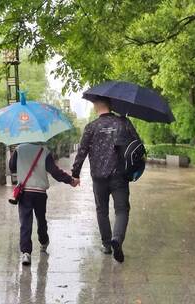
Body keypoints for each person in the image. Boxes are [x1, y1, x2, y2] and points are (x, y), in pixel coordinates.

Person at [71, 97, 140, 263]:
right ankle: (117, 239)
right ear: (111, 105)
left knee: (101, 210)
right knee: (122, 210)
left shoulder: (91, 127)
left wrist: (75, 173)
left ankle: (107, 244)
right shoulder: (124, 122)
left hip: (98, 177)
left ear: (96, 106)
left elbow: (82, 152)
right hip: (120, 175)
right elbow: (137, 144)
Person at [9, 143, 78, 266]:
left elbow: (12, 167)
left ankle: (26, 253)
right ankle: (43, 241)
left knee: (25, 222)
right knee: (41, 219)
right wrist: (71, 180)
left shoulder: (19, 149)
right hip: (40, 192)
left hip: (24, 192)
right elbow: (55, 172)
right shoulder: (44, 151)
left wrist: (22, 162)